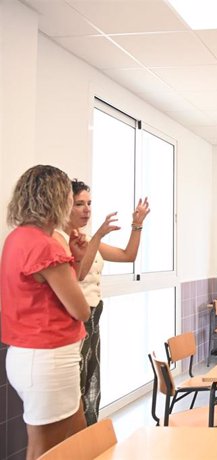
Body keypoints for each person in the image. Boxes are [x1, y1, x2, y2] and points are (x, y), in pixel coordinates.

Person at [1, 165, 91, 459]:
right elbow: (80, 309)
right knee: (44, 451)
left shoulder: (17, 239)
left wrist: (74, 259)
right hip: (47, 360)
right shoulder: (46, 247)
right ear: (57, 199)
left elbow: (53, 293)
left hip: (30, 355)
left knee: (80, 438)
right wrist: (69, 259)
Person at [54, 180, 150, 426]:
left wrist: (137, 224)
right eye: (79, 204)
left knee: (90, 383)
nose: (86, 210)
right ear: (65, 206)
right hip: (74, 320)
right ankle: (77, 441)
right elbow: (80, 273)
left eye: (89, 204)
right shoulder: (60, 240)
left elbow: (128, 256)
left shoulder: (86, 238)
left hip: (94, 317)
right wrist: (98, 235)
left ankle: (89, 435)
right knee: (77, 384)